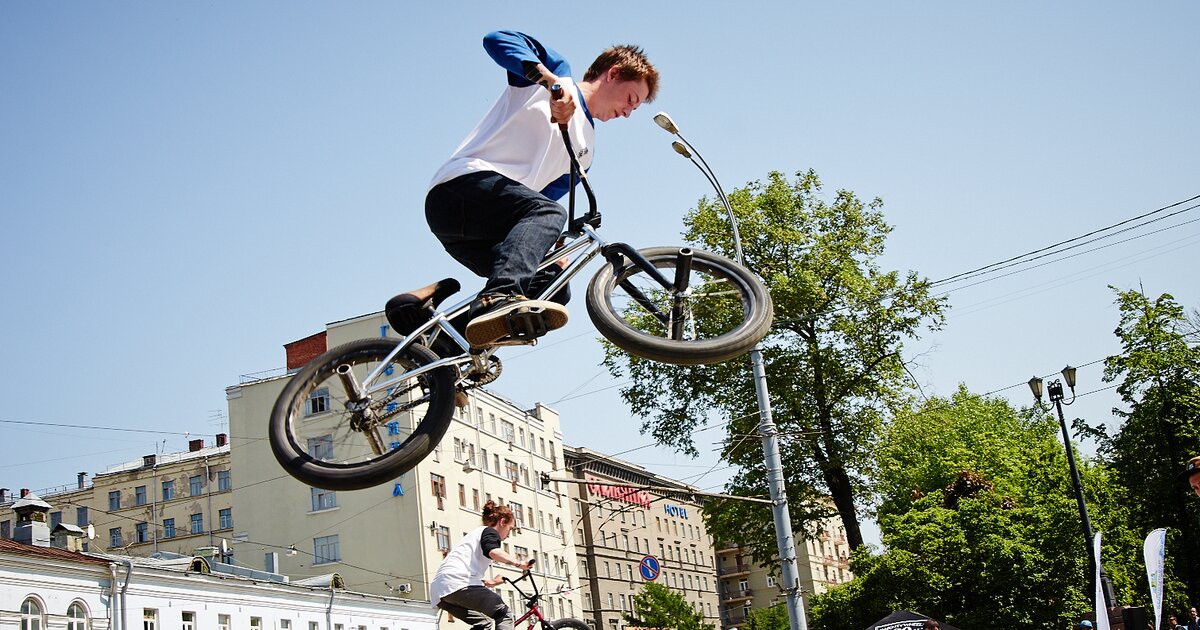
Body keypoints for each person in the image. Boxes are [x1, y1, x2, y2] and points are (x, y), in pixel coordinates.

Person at [422, 30, 659, 348]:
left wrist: (552, 250)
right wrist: (551, 84)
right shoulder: (556, 75)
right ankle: (499, 296)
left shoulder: (586, 153)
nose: (629, 112)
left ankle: (441, 347)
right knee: (548, 215)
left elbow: (536, 204)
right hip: (459, 191)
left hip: (480, 231)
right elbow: (496, 40)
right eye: (631, 99)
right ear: (613, 73)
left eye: (635, 109)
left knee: (553, 283)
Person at [430, 500, 530, 630]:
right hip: (458, 584)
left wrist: (489, 582)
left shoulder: (476, 534)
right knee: (504, 614)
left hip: (441, 592)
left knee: (483, 623)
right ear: (502, 522)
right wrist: (519, 563)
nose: (508, 535)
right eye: (509, 529)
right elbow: (493, 551)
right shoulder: (490, 532)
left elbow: (465, 567)